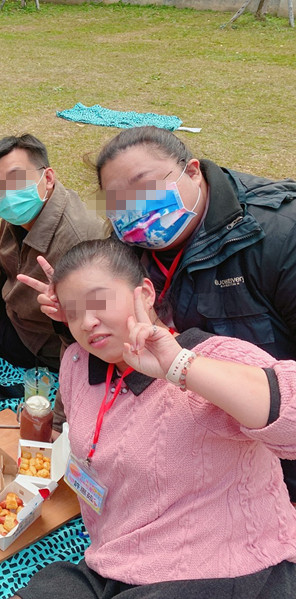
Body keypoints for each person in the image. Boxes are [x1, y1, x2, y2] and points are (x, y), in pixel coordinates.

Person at [12, 238, 296, 599]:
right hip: (114, 560)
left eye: (99, 301)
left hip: (222, 568)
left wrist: (180, 367)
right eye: (73, 311)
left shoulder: (212, 359)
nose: (88, 322)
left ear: (145, 293)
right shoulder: (77, 365)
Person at [23, 126, 296, 500]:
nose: (134, 206)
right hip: (190, 440)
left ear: (193, 171)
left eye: (145, 185)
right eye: (117, 201)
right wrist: (76, 309)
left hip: (272, 429)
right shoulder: (130, 242)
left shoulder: (280, 238)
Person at [0, 134, 109, 370]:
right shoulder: (23, 212)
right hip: (19, 307)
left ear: (49, 177)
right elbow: (5, 262)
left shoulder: (78, 241)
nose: (8, 194)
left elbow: (93, 330)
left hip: (40, 341)